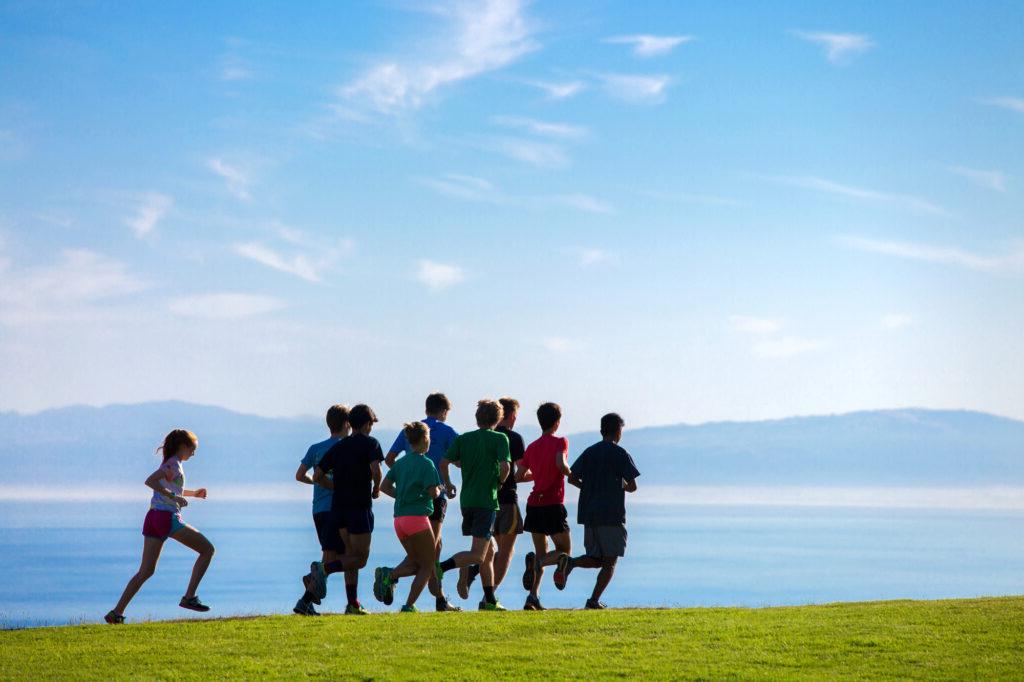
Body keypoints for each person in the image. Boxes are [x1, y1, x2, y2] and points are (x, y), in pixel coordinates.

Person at [105, 429, 215, 624]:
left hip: (153, 517)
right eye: (192, 449)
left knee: (145, 571)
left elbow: (172, 488)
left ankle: (116, 613)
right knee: (207, 549)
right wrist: (174, 497)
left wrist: (193, 494)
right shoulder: (173, 463)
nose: (194, 454)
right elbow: (150, 481)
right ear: (183, 446)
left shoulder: (173, 464)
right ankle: (189, 597)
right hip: (167, 518)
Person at [384, 392, 460, 612]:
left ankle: (436, 597)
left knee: (428, 551)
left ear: (427, 408)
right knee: (431, 553)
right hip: (432, 500)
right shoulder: (446, 431)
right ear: (444, 411)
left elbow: (390, 460)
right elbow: (459, 460)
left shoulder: (410, 429)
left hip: (405, 507)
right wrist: (445, 484)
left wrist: (407, 485)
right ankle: (436, 599)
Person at [304, 404, 384, 615]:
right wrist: (376, 488)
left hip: (337, 510)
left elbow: (318, 476)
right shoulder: (371, 443)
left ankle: (352, 604)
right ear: (367, 424)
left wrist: (337, 487)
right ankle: (324, 570)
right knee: (360, 558)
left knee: (349, 555)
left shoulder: (338, 447)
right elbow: (376, 470)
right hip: (359, 507)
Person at [436, 399, 511, 611]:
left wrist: (448, 484)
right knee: (478, 555)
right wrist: (500, 483)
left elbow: (443, 463)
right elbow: (506, 466)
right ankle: (440, 568)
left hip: (467, 501)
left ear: (477, 417)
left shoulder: (464, 439)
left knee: (488, 554)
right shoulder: (500, 438)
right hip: (486, 501)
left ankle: (490, 601)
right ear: (498, 419)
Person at [562, 413, 640, 609]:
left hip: (589, 513)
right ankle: (593, 600)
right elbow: (632, 486)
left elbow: (571, 478)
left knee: (597, 558)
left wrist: (589, 487)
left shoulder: (589, 452)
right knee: (610, 561)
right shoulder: (620, 453)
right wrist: (616, 486)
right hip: (611, 514)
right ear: (618, 431)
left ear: (601, 430)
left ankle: (570, 564)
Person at [373, 422, 443, 612]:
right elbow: (433, 493)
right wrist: (439, 489)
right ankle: (408, 605)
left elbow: (384, 487)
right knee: (428, 566)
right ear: (424, 440)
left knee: (416, 562)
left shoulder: (401, 463)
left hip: (399, 520)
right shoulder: (427, 463)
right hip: (418, 520)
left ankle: (389, 575)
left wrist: (403, 496)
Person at [292, 404, 351, 616]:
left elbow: (299, 475)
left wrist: (317, 483)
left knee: (331, 555)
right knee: (347, 556)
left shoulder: (315, 448)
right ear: (347, 424)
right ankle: (310, 597)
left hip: (318, 510)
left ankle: (308, 597)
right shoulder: (348, 447)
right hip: (340, 510)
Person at [516, 402, 571, 610]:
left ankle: (533, 597)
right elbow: (560, 464)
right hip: (553, 504)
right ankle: (536, 565)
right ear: (557, 422)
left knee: (542, 552)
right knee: (564, 551)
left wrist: (537, 475)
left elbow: (518, 476)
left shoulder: (532, 447)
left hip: (534, 505)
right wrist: (572, 474)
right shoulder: (560, 442)